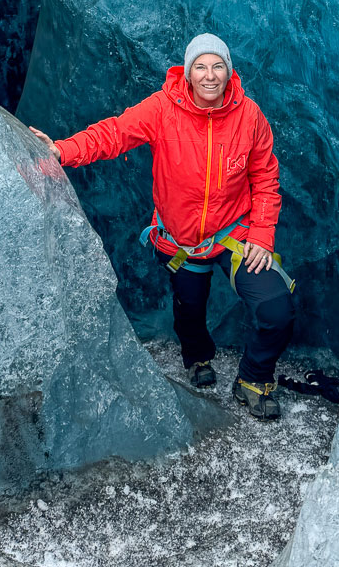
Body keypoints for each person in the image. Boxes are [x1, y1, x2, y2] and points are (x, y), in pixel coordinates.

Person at [30, 32, 295, 420]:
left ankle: (254, 379)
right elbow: (114, 133)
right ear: (187, 73)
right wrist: (62, 150)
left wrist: (261, 234)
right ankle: (197, 357)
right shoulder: (162, 108)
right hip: (181, 241)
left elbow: (266, 177)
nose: (209, 75)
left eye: (217, 66)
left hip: (235, 234)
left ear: (229, 72)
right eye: (200, 67)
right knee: (189, 310)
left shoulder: (249, 116)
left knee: (276, 309)